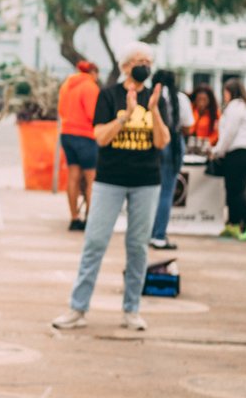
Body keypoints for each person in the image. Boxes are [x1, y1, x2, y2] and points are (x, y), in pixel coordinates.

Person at [52, 41, 169, 333]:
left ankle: (132, 310)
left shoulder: (156, 98)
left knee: (138, 247)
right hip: (110, 179)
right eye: (139, 61)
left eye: (148, 61)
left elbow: (161, 141)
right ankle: (78, 308)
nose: (145, 66)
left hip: (146, 181)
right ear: (125, 66)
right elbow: (101, 137)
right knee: (94, 242)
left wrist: (153, 112)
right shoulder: (108, 95)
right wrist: (126, 115)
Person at [210, 78, 246, 241]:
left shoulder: (235, 107)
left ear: (229, 92)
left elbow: (229, 132)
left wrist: (218, 151)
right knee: (235, 189)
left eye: (225, 92)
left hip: (240, 153)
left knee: (235, 191)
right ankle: (233, 223)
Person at [149, 69, 192, 250]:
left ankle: (146, 233)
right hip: (173, 145)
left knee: (148, 192)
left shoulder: (149, 97)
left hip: (151, 143)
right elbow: (188, 126)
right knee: (166, 192)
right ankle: (159, 235)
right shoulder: (181, 99)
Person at [57, 61, 101, 231]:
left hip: (67, 134)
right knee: (91, 179)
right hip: (86, 135)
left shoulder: (67, 85)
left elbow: (61, 110)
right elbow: (93, 114)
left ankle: (74, 218)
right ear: (93, 72)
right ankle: (90, 219)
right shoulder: (90, 87)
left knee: (73, 176)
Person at [189, 85, 219, 151]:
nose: (201, 103)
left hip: (207, 148)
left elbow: (216, 134)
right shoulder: (190, 109)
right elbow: (189, 129)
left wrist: (206, 144)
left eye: (204, 100)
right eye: (199, 99)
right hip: (190, 146)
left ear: (210, 100)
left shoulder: (215, 113)